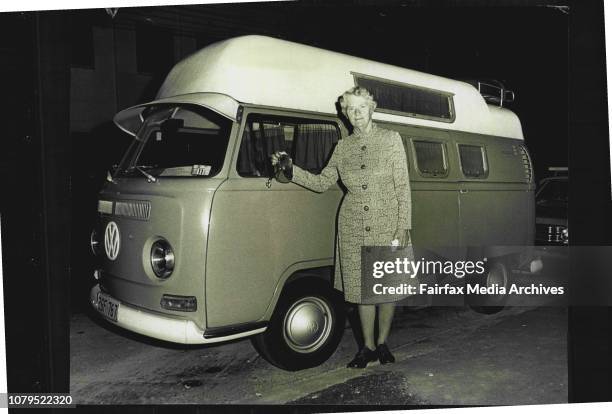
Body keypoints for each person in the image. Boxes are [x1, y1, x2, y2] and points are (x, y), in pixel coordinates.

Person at [271, 86, 412, 368]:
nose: (355, 114)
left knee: (386, 289)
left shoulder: (391, 139)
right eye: (349, 109)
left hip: (387, 222)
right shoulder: (342, 147)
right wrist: (290, 169)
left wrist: (404, 225)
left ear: (372, 108)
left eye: (360, 108)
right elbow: (323, 182)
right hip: (352, 225)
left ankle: (382, 342)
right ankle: (368, 348)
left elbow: (403, 186)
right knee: (362, 290)